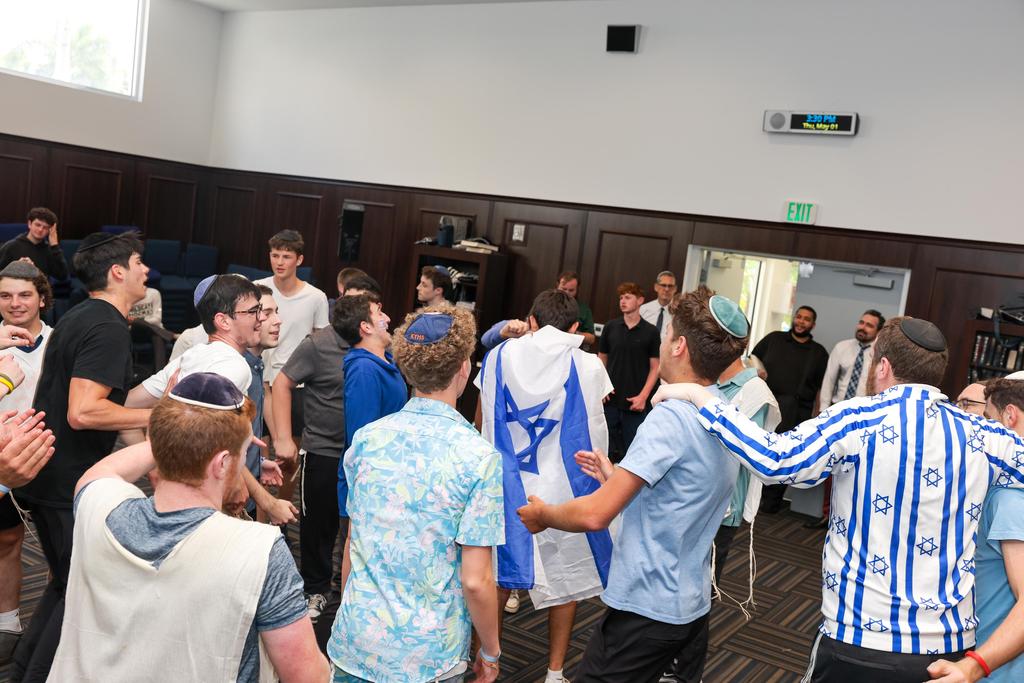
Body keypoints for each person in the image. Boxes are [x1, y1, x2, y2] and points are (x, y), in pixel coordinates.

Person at [652, 317, 1024, 683]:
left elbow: (776, 460)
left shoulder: (857, 418)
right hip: (949, 653)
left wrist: (700, 397)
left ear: (882, 366)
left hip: (859, 640)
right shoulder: (984, 435)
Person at [516, 288, 748, 682]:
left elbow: (595, 515)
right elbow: (684, 492)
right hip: (688, 602)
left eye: (667, 334)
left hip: (648, 606)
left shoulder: (671, 417)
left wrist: (543, 515)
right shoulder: (724, 413)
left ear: (679, 347)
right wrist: (617, 476)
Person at [48, 373, 329, 682]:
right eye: (244, 452)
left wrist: (176, 432)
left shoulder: (99, 508)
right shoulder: (260, 552)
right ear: (222, 463)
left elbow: (102, 472)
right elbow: (307, 676)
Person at [327, 306, 504, 682]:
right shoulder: (479, 457)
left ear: (407, 369)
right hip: (427, 657)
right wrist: (490, 651)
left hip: (355, 639)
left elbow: (353, 545)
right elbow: (476, 580)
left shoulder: (367, 440)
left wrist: (351, 615)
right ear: (463, 368)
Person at [12, 232, 153, 682]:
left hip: (50, 474)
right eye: (139, 262)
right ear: (117, 272)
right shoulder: (107, 326)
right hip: (65, 480)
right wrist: (161, 416)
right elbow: (85, 411)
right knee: (80, 593)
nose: (146, 270)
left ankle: (22, 671)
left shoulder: (83, 316)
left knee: (65, 585)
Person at [476, 288, 614, 683]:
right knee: (565, 580)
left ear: (531, 320)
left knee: (497, 577)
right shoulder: (589, 366)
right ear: (576, 327)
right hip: (562, 489)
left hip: (506, 484)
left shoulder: (499, 356)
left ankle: (487, 662)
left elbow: (482, 414)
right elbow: (597, 418)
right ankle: (555, 672)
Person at [125, 274, 296, 526]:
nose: (260, 318)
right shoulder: (234, 367)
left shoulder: (193, 355)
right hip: (212, 497)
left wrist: (154, 464)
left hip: (185, 491)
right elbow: (211, 440)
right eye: (253, 311)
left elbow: (126, 404)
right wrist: (267, 501)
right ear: (223, 321)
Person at [274, 278, 381, 624]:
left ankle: (350, 593)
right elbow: (282, 383)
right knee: (318, 527)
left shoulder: (379, 345)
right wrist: (284, 437)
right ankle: (315, 590)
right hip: (323, 450)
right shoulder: (318, 344)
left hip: (366, 457)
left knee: (358, 530)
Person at [938, 378, 1024, 682]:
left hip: (999, 668)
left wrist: (973, 667)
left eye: (987, 418)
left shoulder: (1009, 499)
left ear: (1010, 416)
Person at [0, 262, 53, 663]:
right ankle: (8, 621)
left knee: (56, 545)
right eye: (5, 295)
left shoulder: (59, 342)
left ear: (42, 299)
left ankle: (48, 625)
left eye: (24, 295)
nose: (14, 303)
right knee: (6, 540)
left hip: (48, 456)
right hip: (2, 461)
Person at [258, 230, 330, 499]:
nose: (279, 262)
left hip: (297, 386)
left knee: (289, 457)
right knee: (260, 453)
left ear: (299, 260)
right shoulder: (258, 289)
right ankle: (260, 514)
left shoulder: (315, 297)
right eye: (275, 255)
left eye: (286, 256)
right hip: (261, 380)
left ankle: (283, 512)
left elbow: (321, 343)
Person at [750, 305, 829, 513]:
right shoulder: (774, 339)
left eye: (806, 319)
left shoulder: (819, 353)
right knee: (760, 450)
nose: (801, 322)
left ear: (813, 324)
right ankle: (752, 497)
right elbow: (752, 359)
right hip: (767, 403)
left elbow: (821, 387)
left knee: (785, 455)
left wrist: (817, 415)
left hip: (797, 411)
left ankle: (772, 503)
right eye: (799, 317)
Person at [598, 282, 660, 460]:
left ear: (640, 300)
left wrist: (643, 397)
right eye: (621, 298)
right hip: (610, 400)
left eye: (627, 297)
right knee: (604, 449)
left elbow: (655, 367)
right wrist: (602, 386)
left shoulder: (651, 332)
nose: (623, 301)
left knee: (633, 453)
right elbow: (601, 358)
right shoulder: (611, 327)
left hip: (635, 403)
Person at [337, 293, 406, 449]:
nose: (388, 318)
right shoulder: (363, 370)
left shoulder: (386, 361)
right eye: (380, 313)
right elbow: (363, 440)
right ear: (366, 327)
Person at [819, 310, 885, 409]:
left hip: (864, 410)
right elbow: (829, 380)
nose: (862, 328)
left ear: (879, 331)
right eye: (861, 323)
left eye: (869, 325)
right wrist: (823, 408)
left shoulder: (881, 355)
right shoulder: (841, 347)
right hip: (838, 407)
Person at [0, 208, 68, 281]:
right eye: (38, 225)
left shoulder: (50, 250)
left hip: (40, 287)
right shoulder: (11, 246)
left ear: (50, 230)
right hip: (14, 286)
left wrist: (54, 245)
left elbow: (63, 276)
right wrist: (16, 267)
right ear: (30, 224)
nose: (40, 230)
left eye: (45, 227)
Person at [556, 271, 596, 348]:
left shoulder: (584, 309)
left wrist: (574, 333)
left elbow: (591, 339)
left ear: (577, 290)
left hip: (570, 350)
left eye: (571, 290)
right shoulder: (545, 303)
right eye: (564, 289)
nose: (567, 293)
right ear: (557, 286)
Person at [638, 270, 678, 340]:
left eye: (670, 286)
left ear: (675, 289)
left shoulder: (678, 313)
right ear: (656, 287)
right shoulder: (643, 309)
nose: (667, 289)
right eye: (663, 285)